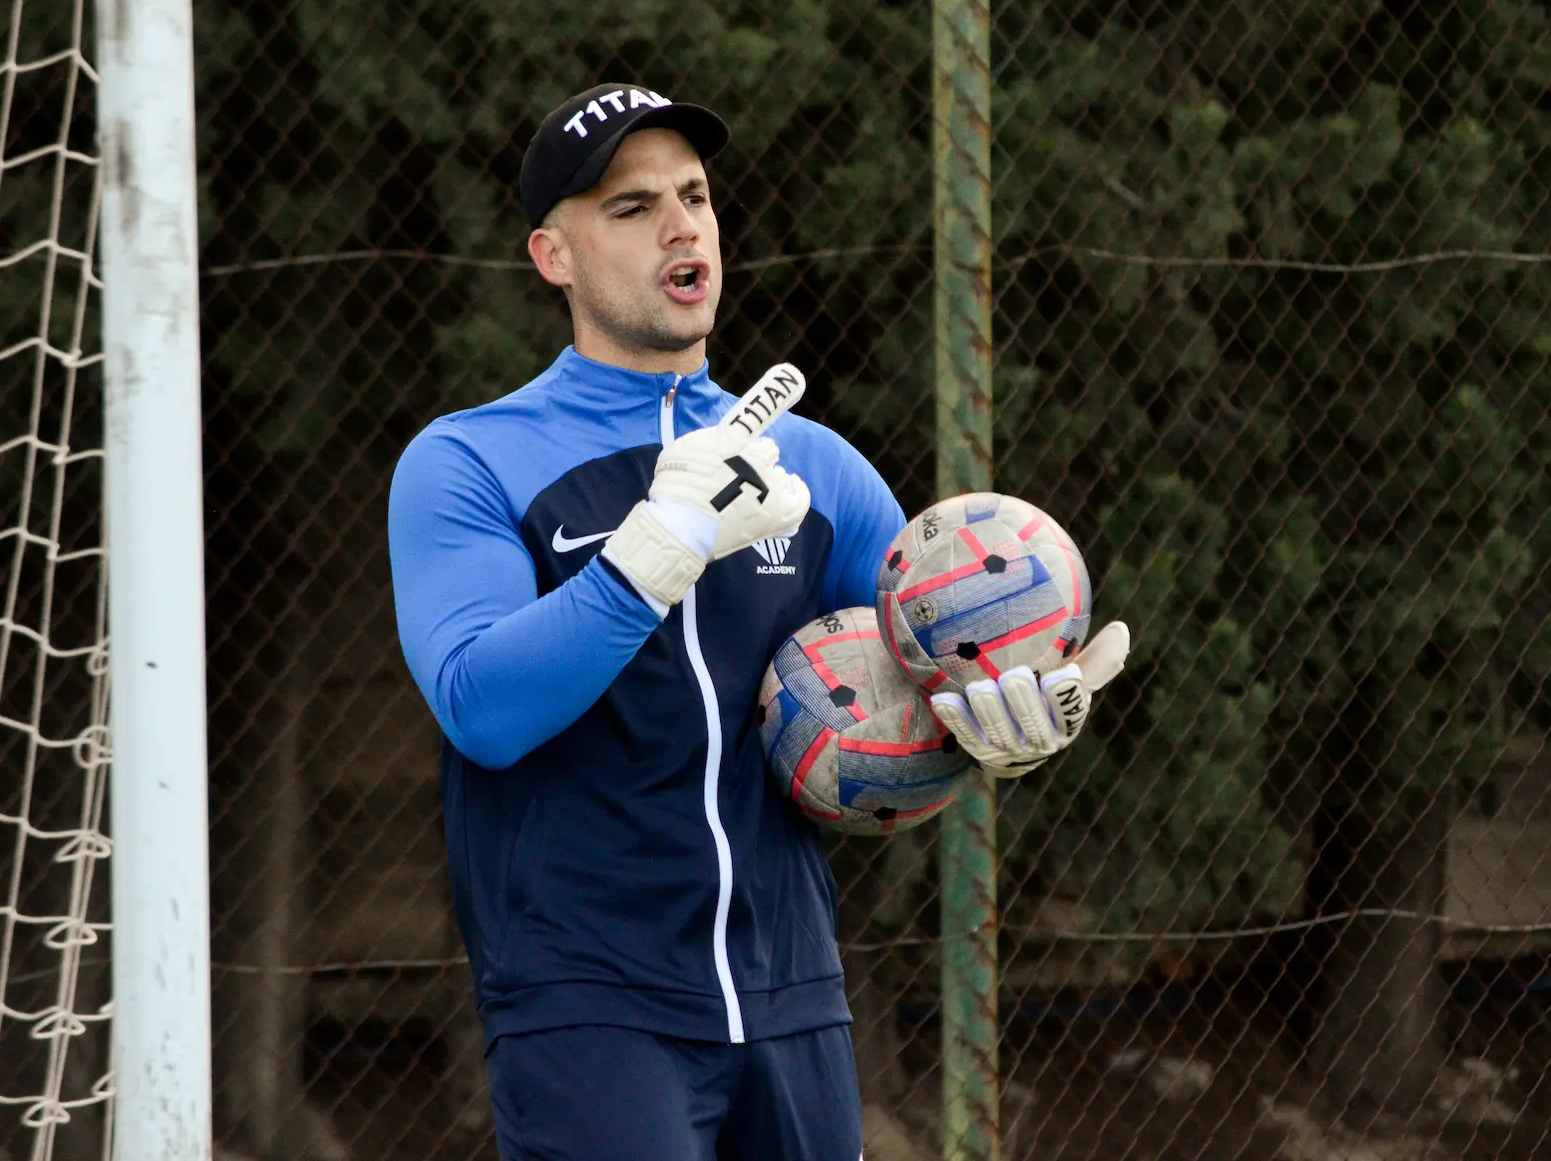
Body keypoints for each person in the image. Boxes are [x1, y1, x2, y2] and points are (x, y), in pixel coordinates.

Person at [388, 83, 1129, 1160]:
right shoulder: (466, 460)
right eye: (633, 207)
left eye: (694, 195)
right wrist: (656, 546)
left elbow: (918, 684)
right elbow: (481, 706)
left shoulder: (819, 467)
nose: (683, 224)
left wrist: (993, 727)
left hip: (794, 999)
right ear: (554, 255)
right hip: (588, 1001)